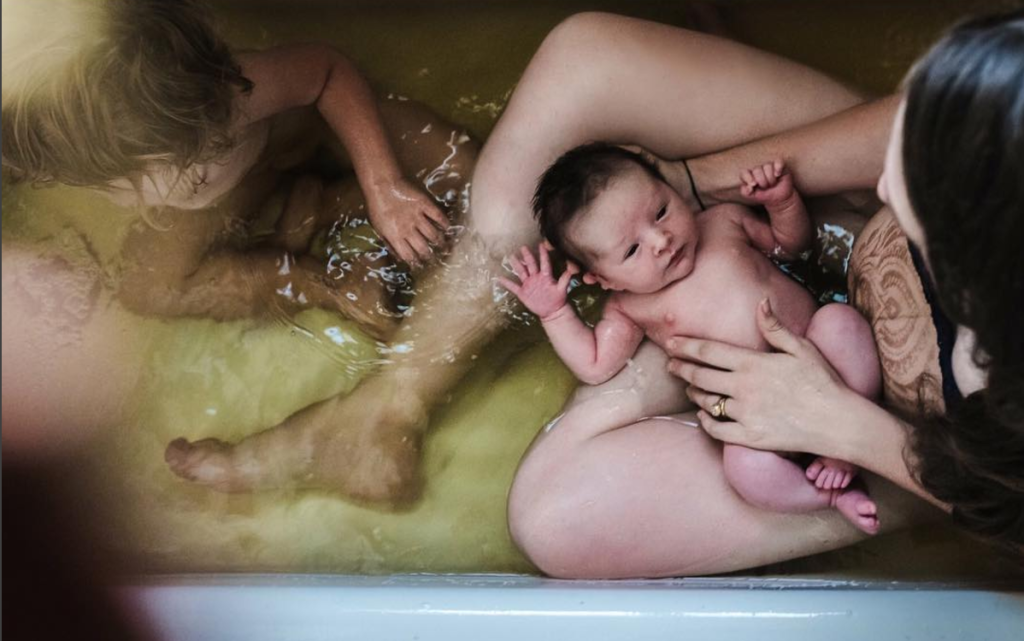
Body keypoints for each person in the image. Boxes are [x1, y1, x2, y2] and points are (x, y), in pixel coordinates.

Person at [663, 10, 1024, 551]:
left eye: (908, 187)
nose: (881, 180)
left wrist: (840, 426)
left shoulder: (992, 396)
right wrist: (699, 186)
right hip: (846, 267)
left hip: (933, 452)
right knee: (584, 54)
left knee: (550, 518)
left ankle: (902, 508)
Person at [2, 0, 478, 340]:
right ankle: (330, 285)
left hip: (311, 129)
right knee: (145, 287)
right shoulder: (81, 147)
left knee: (468, 173)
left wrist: (384, 185)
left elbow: (326, 72)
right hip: (245, 186)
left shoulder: (227, 97)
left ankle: (326, 205)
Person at [501, 143, 880, 532]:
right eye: (632, 250)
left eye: (661, 211)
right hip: (760, 417)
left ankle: (848, 444)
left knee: (840, 323)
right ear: (601, 278)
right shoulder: (630, 308)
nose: (660, 240)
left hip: (820, 354)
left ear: (673, 189)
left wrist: (782, 203)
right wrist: (555, 312)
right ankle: (830, 495)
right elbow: (595, 365)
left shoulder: (723, 221)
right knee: (743, 467)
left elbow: (791, 249)